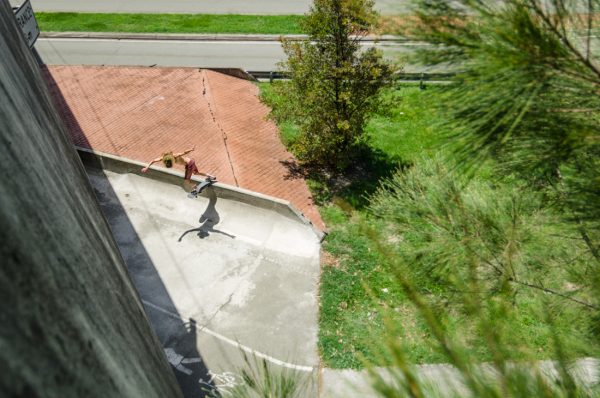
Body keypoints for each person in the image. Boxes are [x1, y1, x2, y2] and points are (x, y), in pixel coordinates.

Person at [141, 147, 213, 182]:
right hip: (191, 161)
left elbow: (184, 152)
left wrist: (191, 149)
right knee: (196, 173)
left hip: (189, 164)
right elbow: (153, 160)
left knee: (186, 180)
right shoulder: (164, 158)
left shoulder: (175, 156)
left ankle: (195, 189)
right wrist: (147, 167)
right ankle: (210, 176)